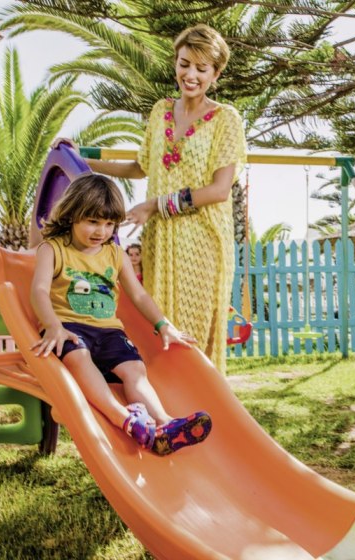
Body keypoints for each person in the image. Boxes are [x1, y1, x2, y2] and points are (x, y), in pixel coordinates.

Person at [56, 23, 246, 373]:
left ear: (216, 73)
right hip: (160, 238)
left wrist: (155, 205)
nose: (190, 75)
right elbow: (141, 166)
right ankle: (164, 399)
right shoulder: (161, 112)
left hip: (203, 241)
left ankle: (201, 398)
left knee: (196, 329)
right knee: (162, 325)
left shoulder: (226, 120)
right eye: (184, 64)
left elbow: (220, 190)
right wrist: (83, 159)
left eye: (201, 68)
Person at [30, 173, 212, 456]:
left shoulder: (116, 254)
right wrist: (52, 325)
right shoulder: (52, 249)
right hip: (68, 327)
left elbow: (139, 295)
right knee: (79, 357)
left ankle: (164, 425)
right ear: (72, 214)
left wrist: (163, 324)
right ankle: (123, 417)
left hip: (109, 332)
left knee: (135, 370)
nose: (101, 231)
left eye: (109, 224)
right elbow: (39, 291)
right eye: (92, 221)